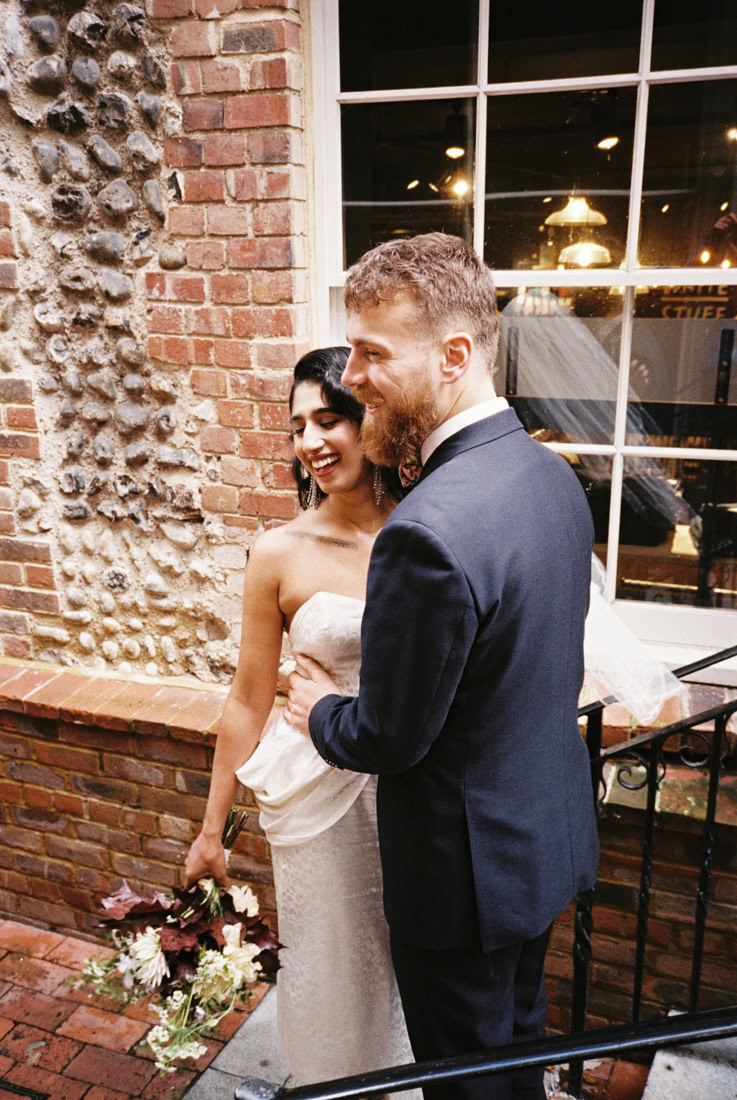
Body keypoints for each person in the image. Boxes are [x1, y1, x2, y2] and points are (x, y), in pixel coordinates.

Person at [284, 232, 601, 1100]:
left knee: (467, 1083)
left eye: (372, 352)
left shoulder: (424, 530)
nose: (352, 376)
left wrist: (318, 708)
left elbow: (389, 736)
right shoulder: (550, 474)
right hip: (539, 844)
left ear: (454, 356)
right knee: (516, 1050)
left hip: (461, 883)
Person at [183, 347, 420, 1095]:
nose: (311, 442)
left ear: (369, 421)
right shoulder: (278, 553)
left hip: (416, 784)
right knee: (331, 964)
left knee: (414, 966)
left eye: (329, 420)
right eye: (296, 427)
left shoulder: (427, 531)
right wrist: (212, 832)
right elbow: (247, 700)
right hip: (319, 800)